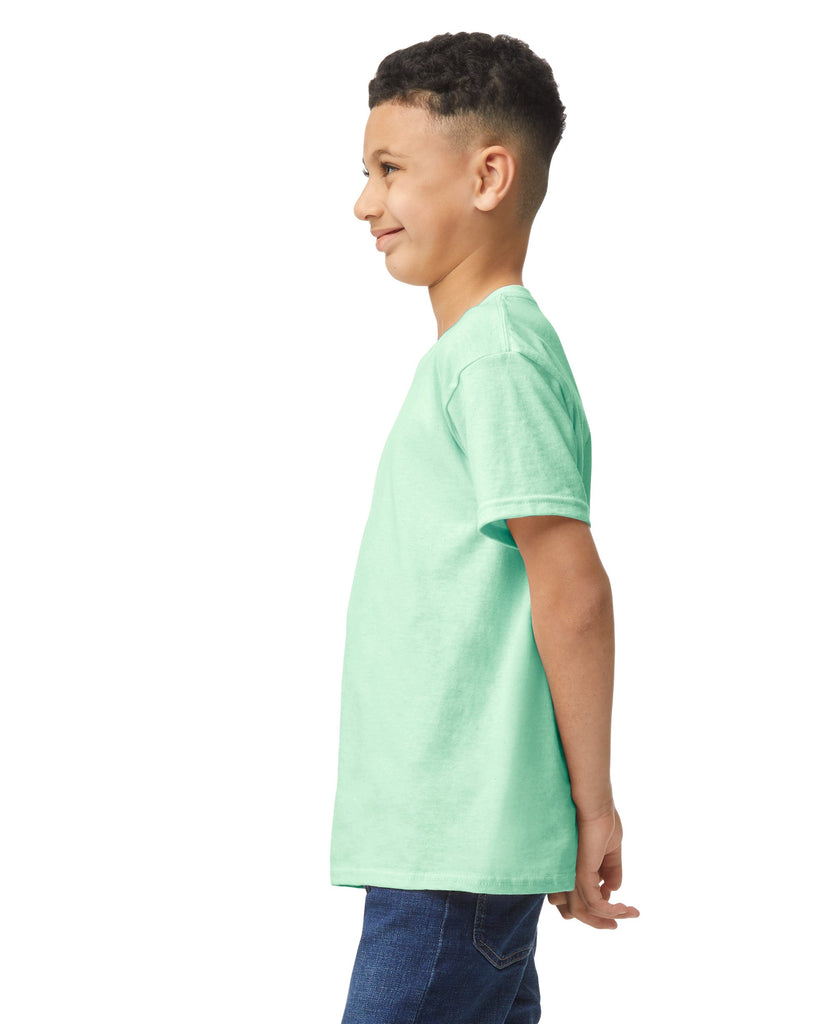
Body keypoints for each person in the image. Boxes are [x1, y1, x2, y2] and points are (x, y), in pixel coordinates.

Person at [330, 31, 639, 1024]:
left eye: (389, 169)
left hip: (450, 851)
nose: (364, 203)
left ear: (488, 176)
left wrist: (589, 806)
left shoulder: (495, 357)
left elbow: (571, 586)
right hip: (444, 843)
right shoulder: (475, 356)